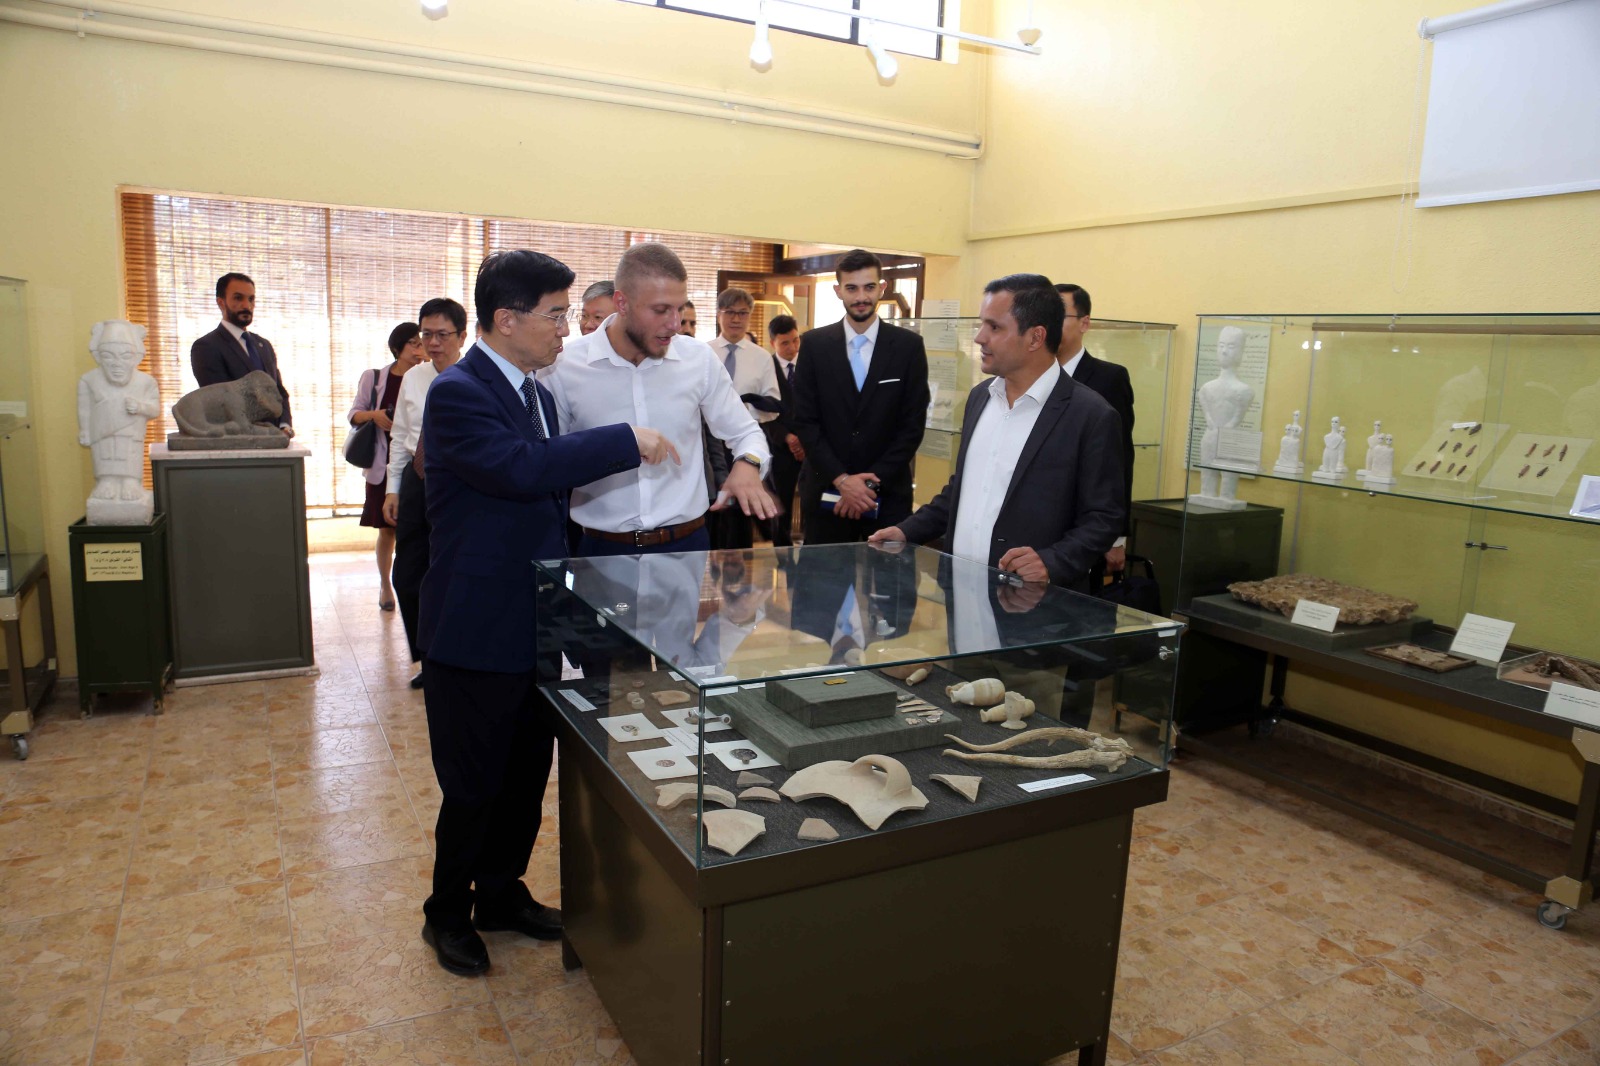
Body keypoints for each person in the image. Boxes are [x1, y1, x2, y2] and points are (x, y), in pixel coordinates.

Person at [416, 249, 676, 978]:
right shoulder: (458, 392)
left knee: (527, 772)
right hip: (475, 627)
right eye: (556, 315)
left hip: (538, 621)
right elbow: (520, 469)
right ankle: (447, 914)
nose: (567, 329)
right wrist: (625, 439)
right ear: (507, 320)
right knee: (474, 786)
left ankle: (501, 894)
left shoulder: (535, 392)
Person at [869, 274, 1124, 593]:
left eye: (994, 327)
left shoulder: (1091, 415)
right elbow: (963, 488)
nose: (979, 337)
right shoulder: (980, 398)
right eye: (982, 324)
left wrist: (1051, 562)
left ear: (1035, 337)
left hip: (1030, 601)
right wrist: (907, 531)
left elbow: (1103, 517)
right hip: (960, 590)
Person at [545, 242, 778, 557]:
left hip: (686, 546)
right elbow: (549, 458)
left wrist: (749, 465)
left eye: (679, 308)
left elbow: (746, 432)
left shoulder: (698, 359)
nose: (675, 323)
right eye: (660, 310)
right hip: (599, 549)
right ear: (622, 303)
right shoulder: (564, 365)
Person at [791, 248, 928, 544]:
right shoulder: (814, 345)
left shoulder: (909, 346)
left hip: (887, 495)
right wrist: (843, 481)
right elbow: (805, 421)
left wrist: (867, 485)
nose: (861, 297)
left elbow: (912, 425)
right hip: (827, 492)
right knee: (824, 574)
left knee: (889, 574)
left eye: (869, 287)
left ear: (882, 287)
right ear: (838, 290)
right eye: (852, 288)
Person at [383, 298, 469, 688]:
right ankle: (427, 656)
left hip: (458, 483)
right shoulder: (414, 378)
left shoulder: (474, 377)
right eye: (426, 335)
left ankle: (454, 655)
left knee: (452, 573)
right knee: (408, 573)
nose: (433, 343)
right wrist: (393, 489)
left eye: (442, 335)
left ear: (461, 337)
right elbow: (401, 435)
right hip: (418, 482)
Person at [1056, 283, 1136, 572]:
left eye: (1059, 315)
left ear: (1084, 323)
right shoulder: (1031, 377)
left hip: (1084, 525)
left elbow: (1120, 458)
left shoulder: (1109, 378)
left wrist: (1116, 537)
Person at [350, 322, 423, 611]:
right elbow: (354, 414)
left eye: (421, 343)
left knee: (415, 529)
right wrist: (376, 415)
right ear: (397, 348)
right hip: (383, 465)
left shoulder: (426, 377)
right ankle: (385, 584)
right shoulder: (376, 377)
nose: (420, 350)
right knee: (387, 529)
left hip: (415, 465)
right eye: (414, 344)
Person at [707, 287, 781, 549]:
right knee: (712, 509)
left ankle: (740, 567)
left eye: (742, 313)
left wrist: (745, 403)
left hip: (746, 443)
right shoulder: (703, 352)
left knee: (741, 513)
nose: (736, 319)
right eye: (730, 312)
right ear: (719, 314)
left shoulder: (761, 357)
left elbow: (773, 406)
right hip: (709, 444)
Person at [189, 272, 294, 436]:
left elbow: (279, 392)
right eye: (238, 298)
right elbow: (221, 401)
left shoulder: (264, 346)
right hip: (238, 440)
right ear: (221, 302)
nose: (246, 305)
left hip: (275, 440)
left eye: (251, 299)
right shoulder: (206, 347)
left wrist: (284, 427)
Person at [764, 313, 804, 546]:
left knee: (812, 501)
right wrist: (788, 438)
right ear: (773, 343)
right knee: (782, 505)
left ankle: (810, 551)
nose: (792, 347)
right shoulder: (765, 368)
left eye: (796, 340)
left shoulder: (809, 365)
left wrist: (804, 441)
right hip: (779, 447)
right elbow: (762, 413)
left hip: (810, 446)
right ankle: (782, 554)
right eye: (785, 343)